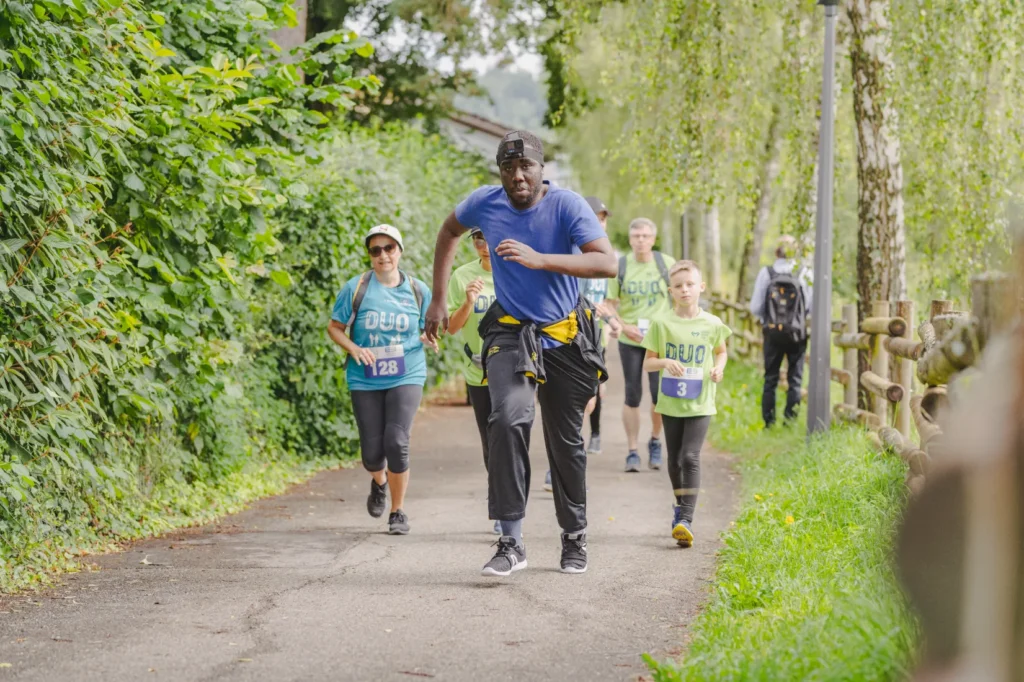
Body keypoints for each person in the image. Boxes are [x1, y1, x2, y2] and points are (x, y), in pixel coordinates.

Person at [424, 130, 616, 577]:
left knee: (565, 442)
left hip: (566, 336)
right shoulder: (484, 203)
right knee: (507, 418)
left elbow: (606, 263)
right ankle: (511, 540)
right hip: (510, 332)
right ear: (499, 172)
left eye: (525, 166)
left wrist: (540, 258)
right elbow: (448, 231)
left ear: (540, 168)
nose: (517, 176)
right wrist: (437, 298)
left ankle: (574, 536)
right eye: (508, 168)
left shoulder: (568, 206)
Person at [327, 225, 437, 536]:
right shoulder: (356, 288)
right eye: (375, 250)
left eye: (389, 248)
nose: (383, 255)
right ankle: (379, 483)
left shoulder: (417, 290)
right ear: (370, 255)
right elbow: (334, 328)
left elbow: (429, 328)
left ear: (400, 251)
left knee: (397, 440)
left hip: (407, 372)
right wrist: (354, 348)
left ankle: (398, 511)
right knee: (372, 455)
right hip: (365, 377)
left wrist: (429, 339)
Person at [641, 260, 730, 547]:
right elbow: (648, 364)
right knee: (675, 458)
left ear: (700, 287)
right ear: (671, 291)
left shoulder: (712, 323)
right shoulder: (661, 323)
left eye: (690, 284)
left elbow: (721, 352)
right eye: (678, 286)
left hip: (701, 400)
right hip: (671, 401)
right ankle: (680, 507)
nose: (685, 290)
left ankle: (686, 519)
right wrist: (666, 361)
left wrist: (719, 368)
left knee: (691, 457)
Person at [542, 195, 622, 493]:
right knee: (569, 404)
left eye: (603, 218)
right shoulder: (572, 250)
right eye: (594, 217)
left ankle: (571, 455)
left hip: (596, 337)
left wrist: (611, 319)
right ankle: (558, 467)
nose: (599, 222)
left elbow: (611, 301)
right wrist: (588, 308)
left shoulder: (608, 254)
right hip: (568, 337)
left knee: (589, 400)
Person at [605, 217, 676, 473]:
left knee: (659, 396)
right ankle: (632, 450)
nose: (641, 241)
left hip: (658, 341)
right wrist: (624, 327)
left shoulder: (666, 264)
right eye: (636, 236)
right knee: (632, 394)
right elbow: (610, 304)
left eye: (646, 236)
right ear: (630, 238)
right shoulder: (620, 266)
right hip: (631, 340)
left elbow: (679, 298)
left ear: (653, 239)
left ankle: (655, 441)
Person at [446, 228, 501, 535]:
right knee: (491, 441)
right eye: (479, 240)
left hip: (512, 370)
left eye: (491, 237)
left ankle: (509, 503)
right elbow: (452, 328)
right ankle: (500, 504)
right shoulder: (462, 276)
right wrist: (469, 301)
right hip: (478, 370)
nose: (485, 245)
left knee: (509, 435)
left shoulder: (516, 271)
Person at [749, 235, 813, 428]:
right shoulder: (804, 273)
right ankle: (790, 422)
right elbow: (810, 306)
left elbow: (755, 307)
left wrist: (767, 320)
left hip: (772, 333)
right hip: (796, 333)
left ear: (776, 250)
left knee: (770, 378)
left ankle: (769, 423)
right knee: (795, 379)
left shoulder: (766, 273)